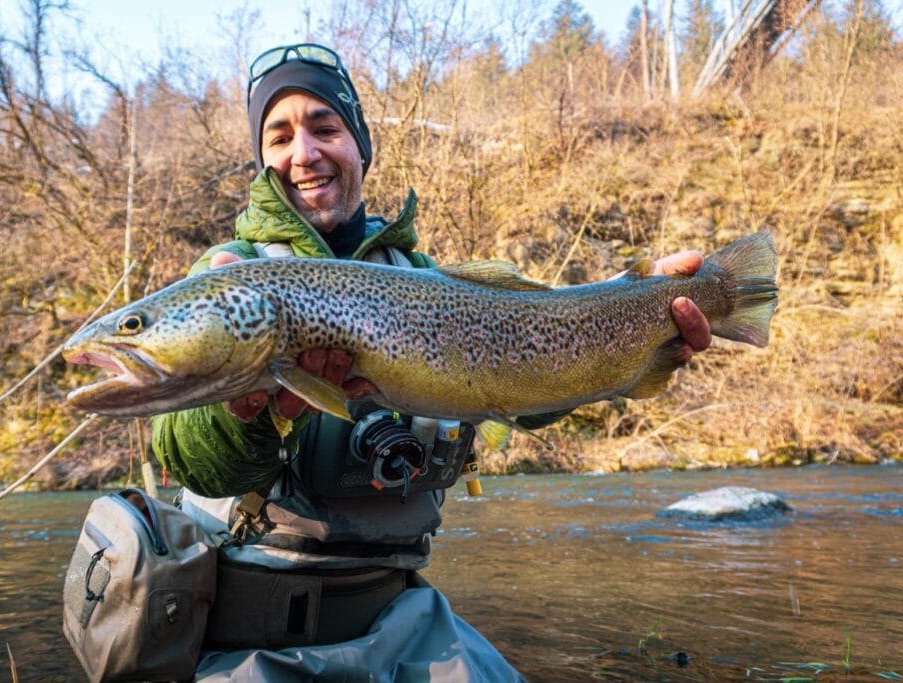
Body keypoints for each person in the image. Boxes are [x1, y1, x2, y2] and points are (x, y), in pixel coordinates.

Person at [151, 43, 711, 681]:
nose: (303, 153)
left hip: (406, 622)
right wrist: (245, 407)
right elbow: (188, 456)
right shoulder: (232, 280)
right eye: (279, 136)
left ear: (360, 145)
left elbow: (532, 369)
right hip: (252, 640)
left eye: (325, 128)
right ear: (262, 159)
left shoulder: (423, 279)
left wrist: (638, 317)